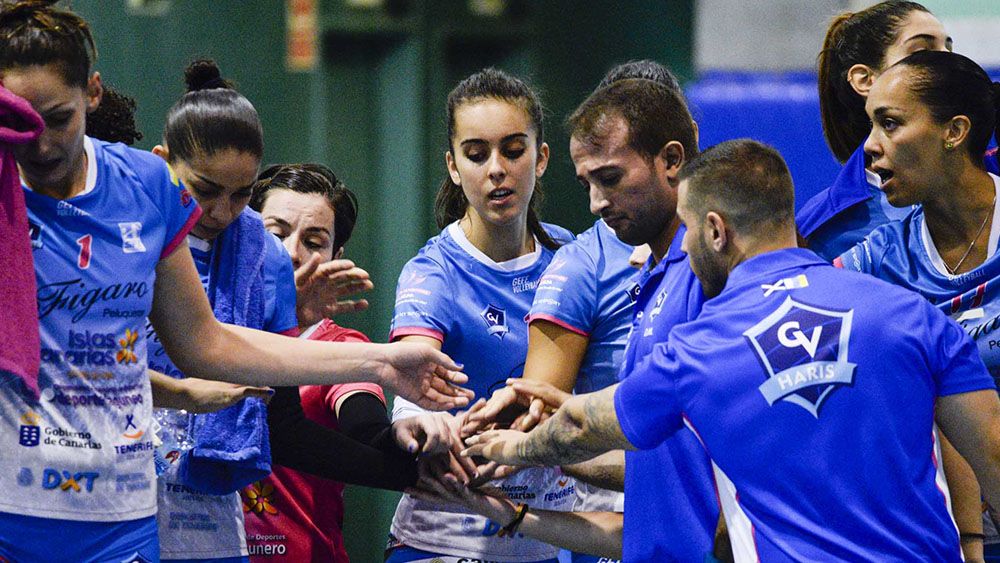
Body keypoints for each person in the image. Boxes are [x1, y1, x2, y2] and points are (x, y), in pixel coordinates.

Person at [0, 4, 468, 560]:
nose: (43, 143)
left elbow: (207, 342)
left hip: (122, 514)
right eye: (21, 122)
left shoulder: (146, 188)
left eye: (58, 118)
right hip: (13, 505)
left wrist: (382, 362)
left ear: (92, 94)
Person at [465, 139, 1000, 562]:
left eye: (688, 231)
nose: (686, 247)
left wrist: (506, 449)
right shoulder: (912, 315)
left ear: (716, 231)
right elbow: (993, 452)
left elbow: (586, 428)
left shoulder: (698, 351)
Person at [461, 77, 719, 562]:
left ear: (672, 159)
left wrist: (534, 445)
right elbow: (662, 463)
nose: (597, 203)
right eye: (587, 185)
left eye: (611, 178)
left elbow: (716, 463)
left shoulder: (713, 275)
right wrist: (546, 429)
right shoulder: (652, 279)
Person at [384, 68, 577, 563]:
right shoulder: (431, 272)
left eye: (514, 150)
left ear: (542, 157)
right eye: (476, 154)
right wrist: (415, 421)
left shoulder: (575, 258)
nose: (497, 169)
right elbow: (413, 373)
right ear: (453, 166)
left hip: (548, 536)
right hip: (446, 535)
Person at [837, 49, 1000, 559]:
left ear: (954, 132)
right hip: (933, 542)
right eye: (870, 126)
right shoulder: (873, 264)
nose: (869, 147)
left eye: (890, 124)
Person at [241, 163, 417, 562]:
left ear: (336, 257)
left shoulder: (340, 347)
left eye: (314, 241)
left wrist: (403, 436)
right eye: (276, 233)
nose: (291, 253)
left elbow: (365, 427)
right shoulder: (211, 333)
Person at [798, 1, 950, 259]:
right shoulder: (825, 231)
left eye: (949, 47)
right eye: (922, 49)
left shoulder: (990, 175)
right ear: (865, 80)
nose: (948, 59)